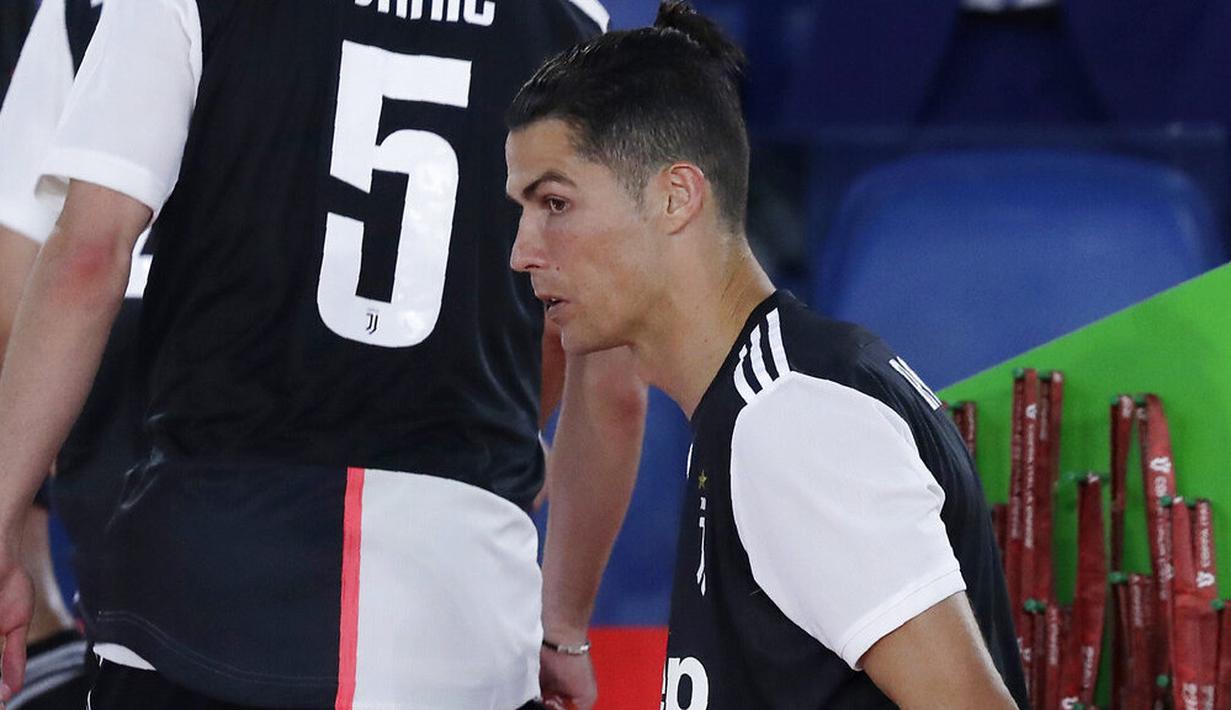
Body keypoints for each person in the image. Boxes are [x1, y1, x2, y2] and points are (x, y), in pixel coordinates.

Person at [0, 1, 645, 708]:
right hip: (459, 621)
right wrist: (561, 627)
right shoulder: (574, 24)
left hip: (201, 593)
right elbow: (609, 379)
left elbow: (86, 258)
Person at [505, 2, 1030, 708]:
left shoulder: (794, 422)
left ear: (675, 197)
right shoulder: (752, 404)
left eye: (555, 204)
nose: (523, 251)